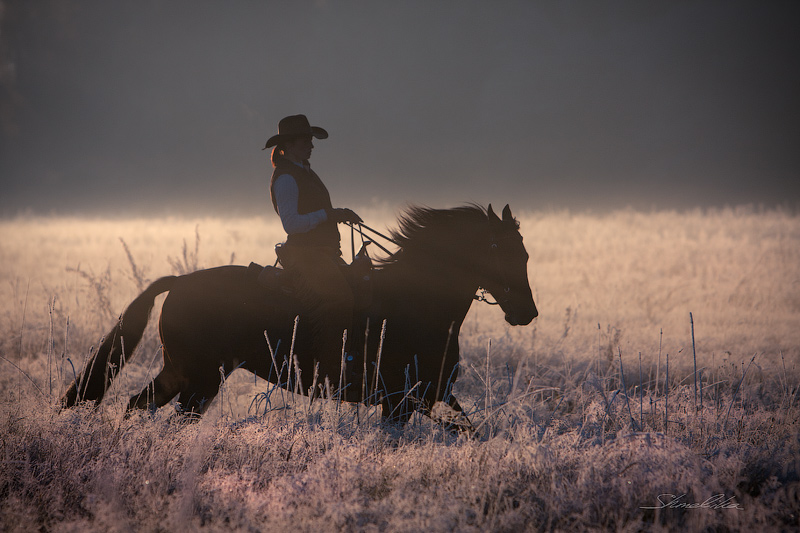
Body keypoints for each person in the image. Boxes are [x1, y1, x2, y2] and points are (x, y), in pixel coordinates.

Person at [263, 114, 362, 390]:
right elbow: (292, 224)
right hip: (305, 256)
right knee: (338, 300)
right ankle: (330, 375)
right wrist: (329, 214)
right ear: (289, 145)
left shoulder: (303, 170)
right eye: (306, 140)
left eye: (311, 140)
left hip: (321, 254)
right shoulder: (285, 178)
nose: (311, 146)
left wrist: (333, 215)